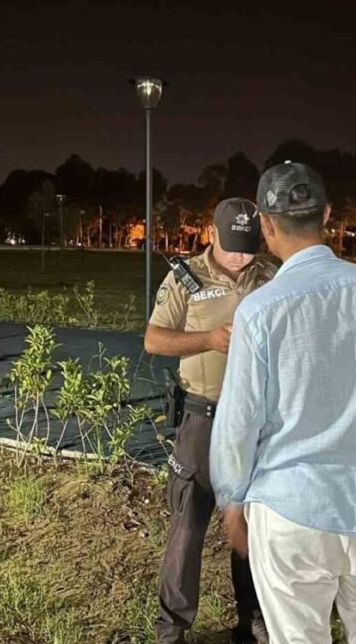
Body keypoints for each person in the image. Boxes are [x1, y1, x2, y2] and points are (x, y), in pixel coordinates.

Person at [209, 162, 356, 643]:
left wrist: (232, 501)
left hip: (292, 510)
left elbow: (240, 423)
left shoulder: (262, 311)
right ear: (327, 213)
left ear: (265, 226)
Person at [146, 197, 276, 644]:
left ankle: (253, 617)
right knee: (189, 524)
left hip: (256, 421)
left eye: (249, 245)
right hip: (204, 415)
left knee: (251, 523)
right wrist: (208, 339)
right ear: (211, 233)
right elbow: (154, 339)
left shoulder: (271, 276)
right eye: (232, 245)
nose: (241, 256)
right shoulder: (186, 278)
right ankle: (172, 629)